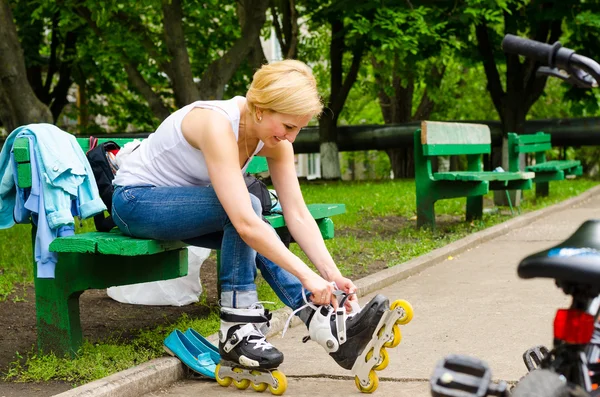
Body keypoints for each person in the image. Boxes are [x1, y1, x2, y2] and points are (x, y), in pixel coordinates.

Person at [111, 60, 392, 388]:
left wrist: (331, 276)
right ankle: (237, 328)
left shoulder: (276, 142)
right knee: (248, 209)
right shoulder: (215, 123)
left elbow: (297, 214)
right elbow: (244, 221)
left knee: (250, 211)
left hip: (190, 210)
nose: (291, 137)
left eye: (298, 129)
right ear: (259, 110)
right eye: (288, 127)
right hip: (136, 203)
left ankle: (325, 324)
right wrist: (307, 276)